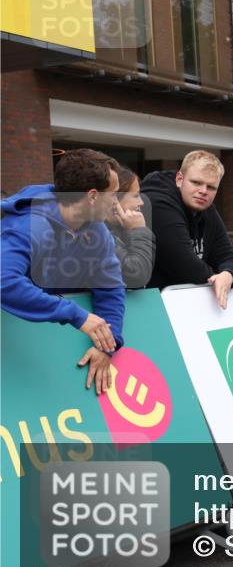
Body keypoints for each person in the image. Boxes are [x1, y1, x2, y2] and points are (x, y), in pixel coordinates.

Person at [1, 148, 124, 394]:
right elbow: (4, 281)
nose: (116, 202)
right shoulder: (26, 224)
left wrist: (107, 344)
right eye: (113, 194)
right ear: (91, 196)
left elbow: (111, 288)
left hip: (42, 355)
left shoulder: (97, 229)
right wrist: (75, 314)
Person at [142, 150, 233, 308]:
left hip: (185, 306)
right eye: (196, 183)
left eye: (211, 187)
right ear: (179, 179)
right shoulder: (158, 203)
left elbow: (229, 256)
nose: (203, 191)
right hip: (150, 309)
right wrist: (215, 279)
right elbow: (186, 267)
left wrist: (228, 274)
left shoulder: (205, 207)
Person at [106, 165, 155, 288]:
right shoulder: (100, 232)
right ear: (114, 200)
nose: (141, 202)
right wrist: (138, 231)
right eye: (136, 196)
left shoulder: (122, 228)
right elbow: (137, 275)